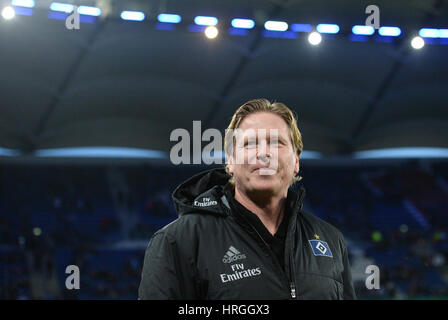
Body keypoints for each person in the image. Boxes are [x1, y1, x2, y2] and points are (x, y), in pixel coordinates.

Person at [138, 98, 356, 299]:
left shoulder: (331, 239)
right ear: (230, 162)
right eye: (250, 143)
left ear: (296, 161)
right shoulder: (178, 241)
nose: (263, 153)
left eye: (277, 142)